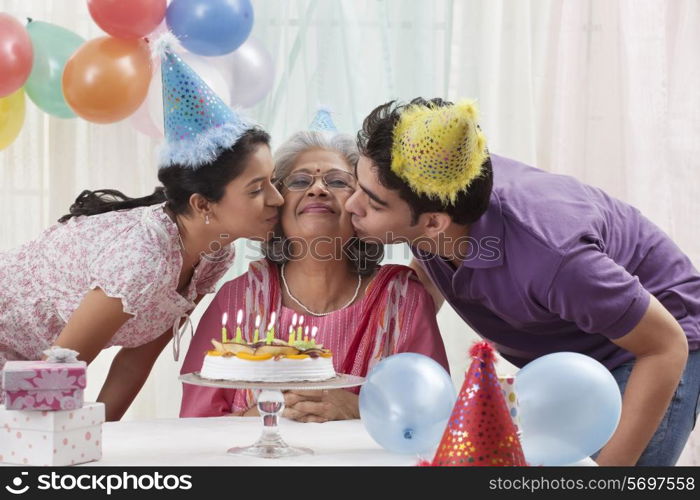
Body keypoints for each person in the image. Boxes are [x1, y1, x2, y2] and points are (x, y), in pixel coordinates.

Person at [344, 97, 700, 466]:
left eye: (372, 203)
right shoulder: (439, 180)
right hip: (569, 354)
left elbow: (665, 346)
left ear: (434, 223)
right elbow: (428, 278)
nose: (351, 205)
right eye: (356, 183)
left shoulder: (554, 258)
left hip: (653, 346)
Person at [0, 46, 283, 421]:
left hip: (33, 370)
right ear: (203, 205)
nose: (277, 199)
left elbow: (136, 360)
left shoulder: (216, 254)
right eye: (256, 188)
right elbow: (57, 371)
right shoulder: (143, 258)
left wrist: (101, 439)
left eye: (273, 182)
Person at [180, 127, 449, 423]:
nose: (318, 189)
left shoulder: (404, 301)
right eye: (299, 181)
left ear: (361, 207)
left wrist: (361, 410)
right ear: (276, 207)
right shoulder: (236, 299)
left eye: (337, 181)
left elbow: (434, 416)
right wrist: (262, 417)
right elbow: (197, 425)